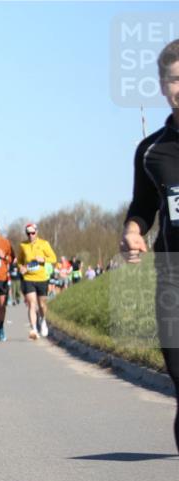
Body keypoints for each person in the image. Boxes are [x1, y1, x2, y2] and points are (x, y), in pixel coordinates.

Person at [120, 38, 179, 452]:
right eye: (176, 79)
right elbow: (143, 207)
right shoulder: (150, 152)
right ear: (162, 86)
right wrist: (132, 231)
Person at [17, 222, 57, 340]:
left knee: (42, 305)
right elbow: (19, 261)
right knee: (31, 303)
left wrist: (43, 259)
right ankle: (34, 329)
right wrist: (21, 268)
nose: (30, 235)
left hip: (42, 278)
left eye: (32, 233)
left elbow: (54, 258)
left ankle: (43, 320)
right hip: (28, 278)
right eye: (28, 233)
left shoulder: (44, 244)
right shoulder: (22, 245)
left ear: (36, 232)